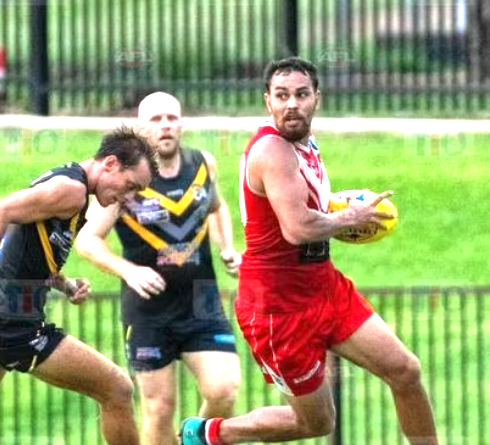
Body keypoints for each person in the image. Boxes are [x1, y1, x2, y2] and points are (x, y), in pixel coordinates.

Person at [180, 57, 439, 444]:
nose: (292, 104)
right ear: (267, 101)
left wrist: (338, 205)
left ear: (317, 98)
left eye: (301, 95)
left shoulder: (306, 143)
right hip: (278, 308)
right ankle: (209, 434)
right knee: (316, 423)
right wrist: (351, 217)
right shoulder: (273, 150)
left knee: (405, 370)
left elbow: (305, 206)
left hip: (324, 287)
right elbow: (298, 228)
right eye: (281, 95)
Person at [76, 92, 242, 445]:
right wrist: (127, 270)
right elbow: (87, 239)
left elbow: (216, 207)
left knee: (224, 390)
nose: (165, 125)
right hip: (148, 311)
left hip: (202, 301)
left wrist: (227, 247)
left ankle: (191, 440)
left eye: (171, 117)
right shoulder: (125, 180)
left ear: (182, 123)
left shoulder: (203, 163)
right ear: (140, 128)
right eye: (155, 119)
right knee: (160, 407)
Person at [0, 125, 157, 445]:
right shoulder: (71, 190)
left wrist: (66, 284)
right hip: (14, 321)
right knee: (117, 389)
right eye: (130, 186)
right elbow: (1, 211)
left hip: (12, 316)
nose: (128, 199)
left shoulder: (74, 193)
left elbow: (25, 252)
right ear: (110, 163)